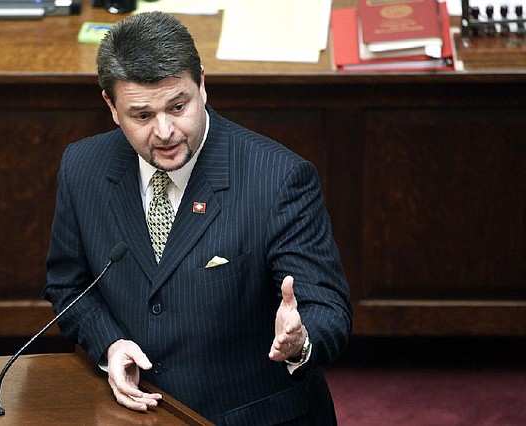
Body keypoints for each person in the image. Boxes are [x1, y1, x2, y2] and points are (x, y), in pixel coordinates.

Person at [43, 11, 352, 425]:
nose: (166, 131)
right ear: (111, 107)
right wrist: (110, 344)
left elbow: (326, 306)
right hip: (136, 415)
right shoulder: (83, 167)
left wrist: (300, 342)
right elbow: (69, 285)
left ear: (202, 84)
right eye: (142, 116)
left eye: (178, 105)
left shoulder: (278, 178)